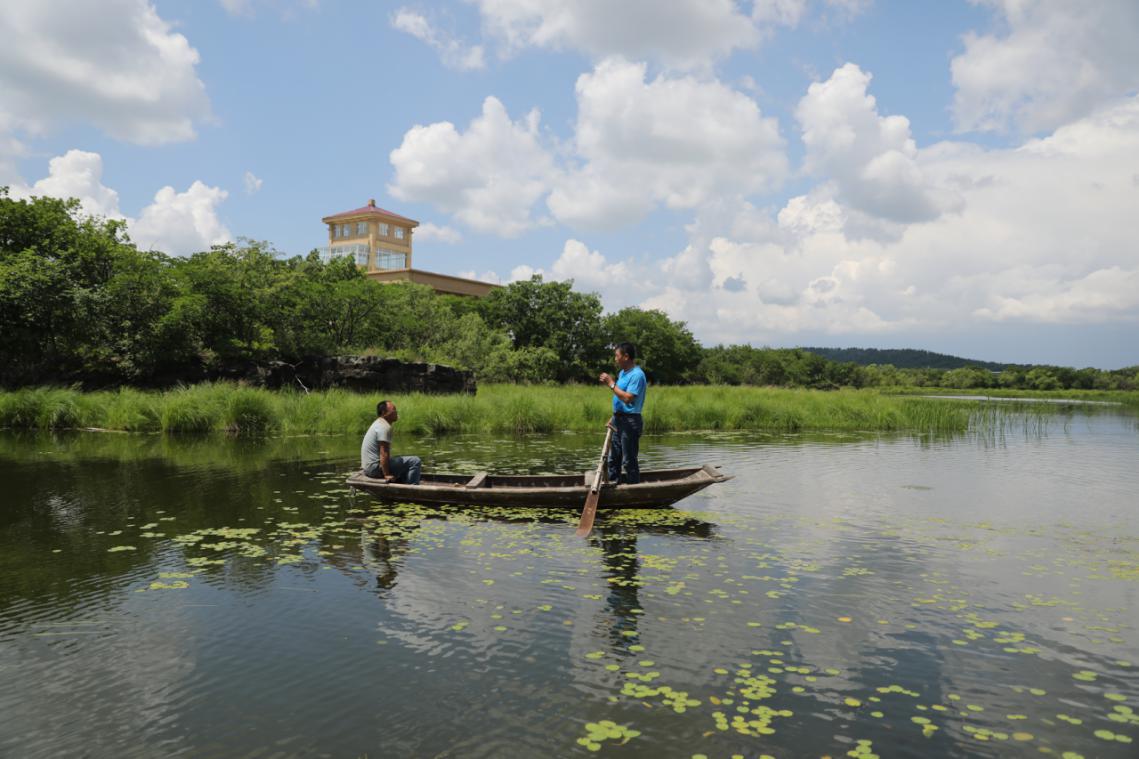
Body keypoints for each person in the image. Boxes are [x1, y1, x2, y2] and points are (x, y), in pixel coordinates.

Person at [599, 342, 647, 485]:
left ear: (626, 357)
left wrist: (611, 384)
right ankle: (613, 485)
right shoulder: (622, 373)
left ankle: (634, 488)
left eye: (617, 356)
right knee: (614, 458)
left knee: (629, 460)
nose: (615, 359)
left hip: (630, 422)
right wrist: (613, 417)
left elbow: (627, 398)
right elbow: (619, 398)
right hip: (618, 420)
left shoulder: (637, 375)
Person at [360, 400, 422, 484]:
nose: (396, 412)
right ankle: (412, 489)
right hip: (374, 469)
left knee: (401, 459)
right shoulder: (384, 427)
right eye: (394, 410)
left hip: (369, 468)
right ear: (384, 412)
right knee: (415, 461)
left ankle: (405, 482)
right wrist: (387, 474)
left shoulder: (378, 423)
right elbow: (384, 453)